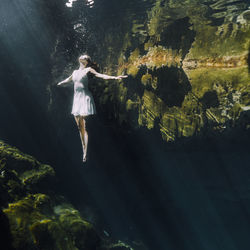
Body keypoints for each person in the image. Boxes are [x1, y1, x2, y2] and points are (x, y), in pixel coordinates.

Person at [57, 55, 127, 162]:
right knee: (79, 126)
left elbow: (101, 75)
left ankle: (85, 151)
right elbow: (69, 79)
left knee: (84, 126)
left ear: (87, 61)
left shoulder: (88, 70)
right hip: (77, 99)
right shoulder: (75, 72)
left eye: (85, 56)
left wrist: (115, 77)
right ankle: (83, 147)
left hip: (85, 97)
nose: (82, 56)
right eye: (82, 55)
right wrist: (61, 82)